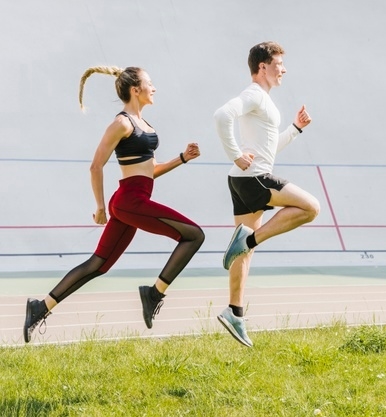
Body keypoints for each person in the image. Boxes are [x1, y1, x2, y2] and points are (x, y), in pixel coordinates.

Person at [23, 66, 205, 343]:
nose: (154, 88)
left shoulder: (144, 125)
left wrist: (181, 158)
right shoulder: (121, 124)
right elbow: (96, 166)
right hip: (128, 201)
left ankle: (40, 307)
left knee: (98, 264)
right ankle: (153, 293)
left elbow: (149, 169)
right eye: (150, 83)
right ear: (135, 90)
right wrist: (100, 208)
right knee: (194, 235)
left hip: (134, 201)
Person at [213, 41, 320, 347]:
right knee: (310, 208)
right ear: (263, 66)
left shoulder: (263, 101)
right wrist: (234, 153)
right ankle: (247, 239)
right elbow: (222, 116)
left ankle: (234, 311)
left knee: (242, 254)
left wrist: (295, 129)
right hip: (254, 178)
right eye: (279, 64)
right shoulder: (254, 95)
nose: (283, 69)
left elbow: (267, 149)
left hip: (241, 180)